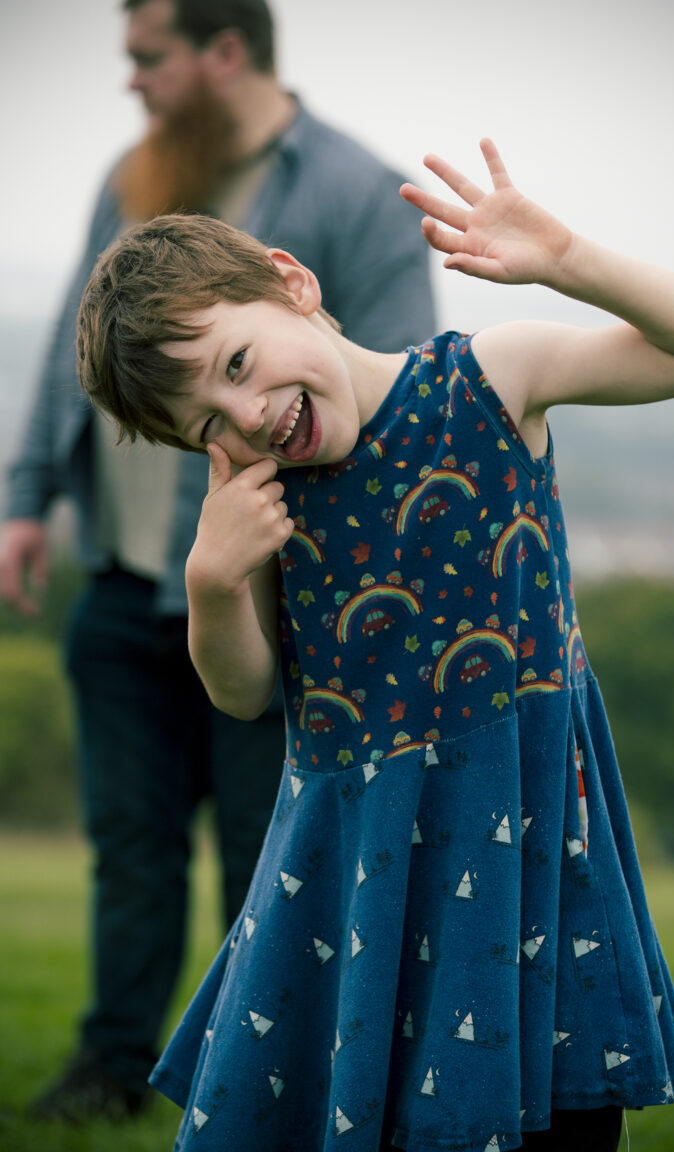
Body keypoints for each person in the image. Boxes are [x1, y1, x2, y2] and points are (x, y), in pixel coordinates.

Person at [75, 138, 674, 1152]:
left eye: (237, 364)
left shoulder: (493, 379)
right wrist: (212, 584)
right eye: (206, 423)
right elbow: (246, 692)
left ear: (293, 283)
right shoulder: (258, 509)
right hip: (362, 887)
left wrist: (567, 257)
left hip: (525, 853)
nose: (251, 416)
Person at [0, 0, 434, 1124]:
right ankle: (110, 1074)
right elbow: (70, 352)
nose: (133, 83)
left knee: (269, 853)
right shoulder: (131, 177)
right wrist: (27, 497)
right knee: (128, 850)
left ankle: (280, 1080)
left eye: (150, 59)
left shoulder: (349, 188)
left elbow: (391, 386)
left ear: (224, 52)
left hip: (283, 598)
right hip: (126, 572)